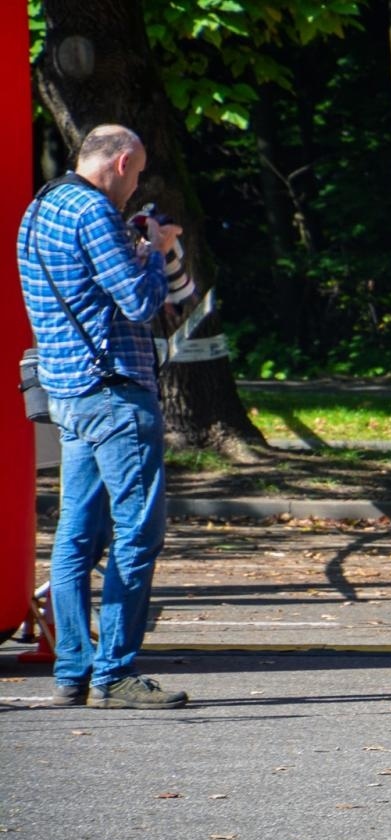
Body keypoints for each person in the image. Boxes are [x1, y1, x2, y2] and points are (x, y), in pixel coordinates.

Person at [16, 125, 189, 708]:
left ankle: (72, 670)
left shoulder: (39, 209)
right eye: (135, 174)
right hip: (113, 392)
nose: (134, 185)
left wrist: (134, 250)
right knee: (137, 533)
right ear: (119, 163)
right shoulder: (94, 213)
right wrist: (157, 252)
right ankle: (114, 673)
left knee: (74, 536)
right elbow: (140, 303)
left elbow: (85, 293)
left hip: (66, 391)